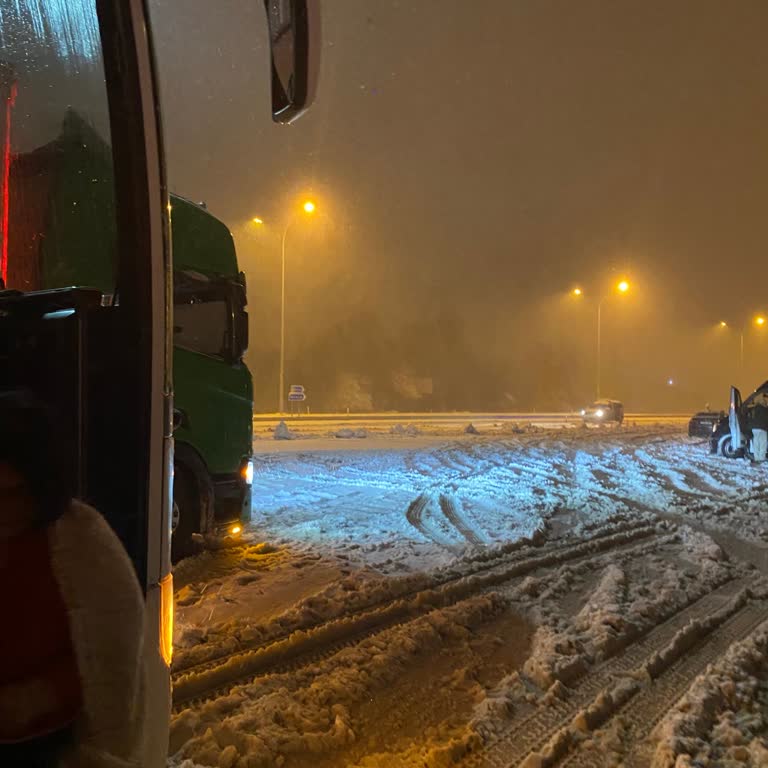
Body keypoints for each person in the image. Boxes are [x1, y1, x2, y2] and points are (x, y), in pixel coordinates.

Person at [0, 390, 146, 767]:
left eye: (16, 494)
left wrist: (34, 698)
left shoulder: (83, 544)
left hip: (51, 749)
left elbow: (106, 658)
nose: (5, 510)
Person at [745, 390, 768, 463]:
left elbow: (750, 417)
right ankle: (761, 458)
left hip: (754, 428)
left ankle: (757, 457)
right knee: (763, 443)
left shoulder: (754, 408)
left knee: (756, 443)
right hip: (762, 428)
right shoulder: (765, 409)